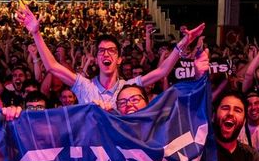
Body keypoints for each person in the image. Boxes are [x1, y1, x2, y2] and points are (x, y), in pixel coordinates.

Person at [18, 6, 199, 110]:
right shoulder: (84, 86)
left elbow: (162, 71)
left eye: (111, 51)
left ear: (119, 59)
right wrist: (36, 33)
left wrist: (182, 44)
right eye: (101, 51)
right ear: (96, 59)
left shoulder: (128, 87)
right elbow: (52, 66)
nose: (106, 54)